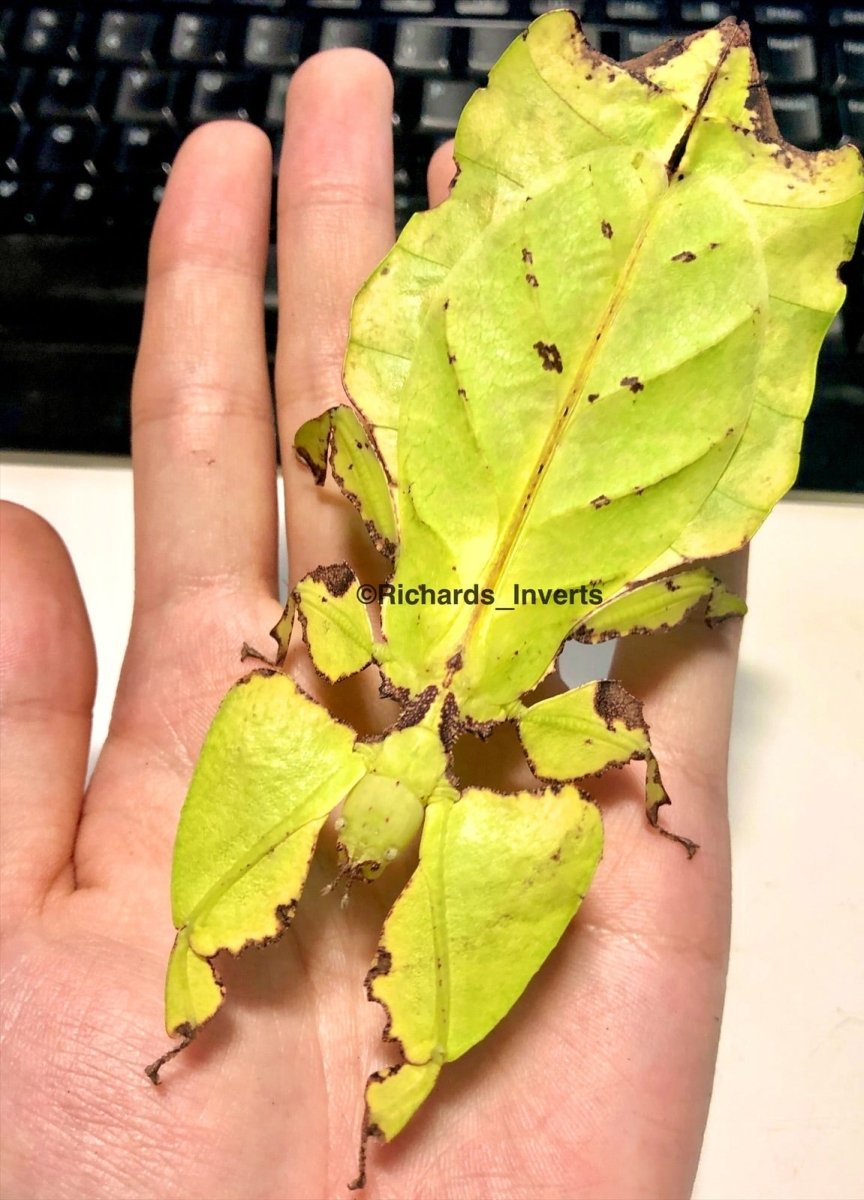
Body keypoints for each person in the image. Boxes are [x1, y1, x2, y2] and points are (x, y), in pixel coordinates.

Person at [0, 49, 746, 1199]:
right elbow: (617, 703)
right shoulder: (487, 705)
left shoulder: (378, 654)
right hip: (628, 404)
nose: (372, 850)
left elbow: (333, 496)